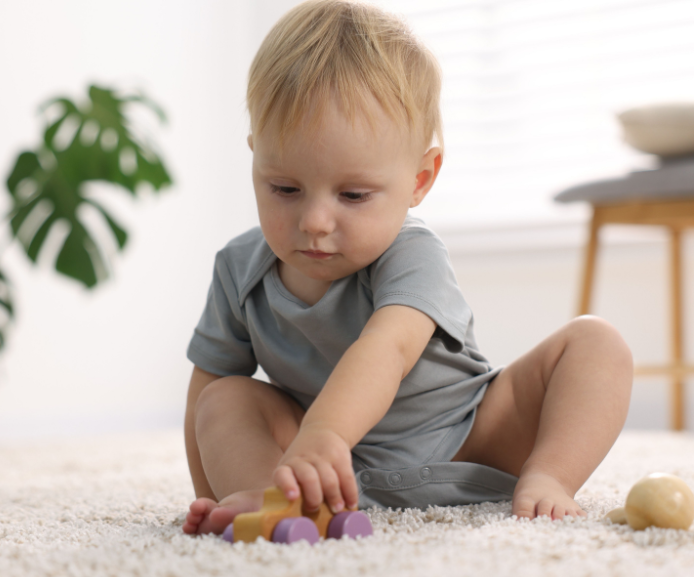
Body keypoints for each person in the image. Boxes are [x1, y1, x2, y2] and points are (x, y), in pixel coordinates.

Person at [182, 0, 633, 536]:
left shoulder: (412, 253)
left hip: (471, 438)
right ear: (256, 158)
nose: (315, 221)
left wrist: (325, 430)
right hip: (328, 469)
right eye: (284, 188)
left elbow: (388, 350)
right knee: (224, 397)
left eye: (352, 194)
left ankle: (548, 477)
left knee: (595, 343)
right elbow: (206, 387)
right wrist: (213, 495)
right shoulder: (239, 269)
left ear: (420, 179)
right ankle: (273, 503)